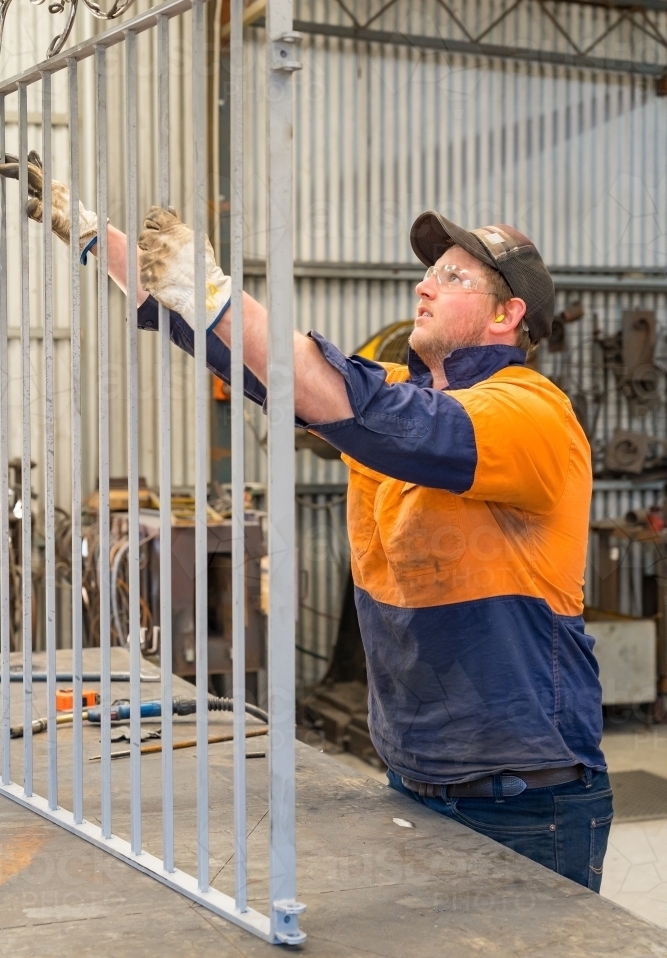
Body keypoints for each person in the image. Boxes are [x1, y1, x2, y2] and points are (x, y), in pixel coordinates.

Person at [0, 155, 612, 892]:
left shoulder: (529, 412)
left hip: (523, 793)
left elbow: (365, 407)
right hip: (415, 776)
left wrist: (212, 290)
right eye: (428, 272)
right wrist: (104, 242)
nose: (422, 285)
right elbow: (271, 368)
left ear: (506, 315)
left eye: (452, 278)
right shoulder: (395, 397)